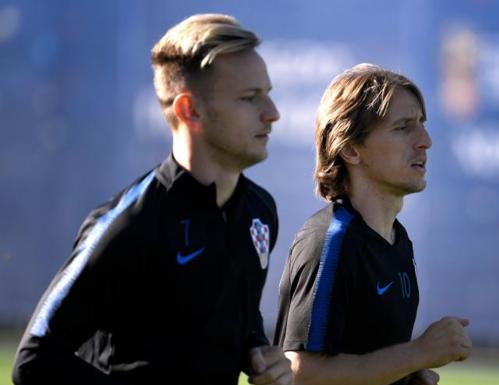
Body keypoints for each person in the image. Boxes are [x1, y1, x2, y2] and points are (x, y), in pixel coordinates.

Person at [13, 14, 292, 385]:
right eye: (249, 98)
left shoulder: (259, 211)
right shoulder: (131, 222)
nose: (272, 113)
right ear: (188, 110)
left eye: (268, 94)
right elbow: (34, 360)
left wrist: (258, 351)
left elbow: (230, 315)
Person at [273, 64, 471, 385]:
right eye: (403, 127)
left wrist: (406, 376)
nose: (425, 140)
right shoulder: (331, 241)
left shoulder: (397, 240)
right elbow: (301, 373)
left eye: (421, 124)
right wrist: (418, 353)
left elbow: (366, 361)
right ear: (350, 148)